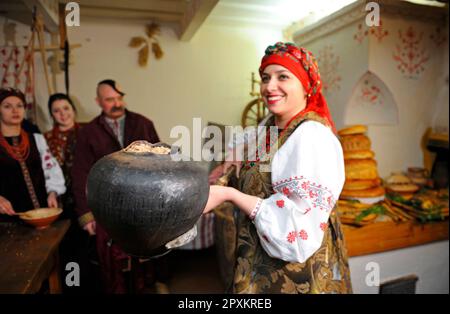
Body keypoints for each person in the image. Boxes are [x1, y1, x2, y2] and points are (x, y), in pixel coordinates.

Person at [203, 42, 352, 293]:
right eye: (265, 77)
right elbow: (247, 137)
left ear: (306, 86)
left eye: (283, 77)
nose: (269, 87)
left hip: (296, 274)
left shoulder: (312, 137)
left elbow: (296, 234)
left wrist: (229, 195)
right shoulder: (269, 126)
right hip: (258, 260)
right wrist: (233, 155)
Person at [71, 79, 167, 293]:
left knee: (146, 250)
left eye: (119, 98)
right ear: (98, 101)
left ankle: (151, 285)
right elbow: (80, 173)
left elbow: (161, 162)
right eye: (109, 99)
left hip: (143, 201)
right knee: (112, 258)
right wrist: (86, 214)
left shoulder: (143, 123)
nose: (116, 103)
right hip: (106, 206)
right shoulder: (88, 132)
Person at [0, 88, 65, 218]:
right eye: (7, 106)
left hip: (40, 214)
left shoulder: (37, 139)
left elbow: (51, 169)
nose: (15, 110)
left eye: (19, 106)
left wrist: (53, 192)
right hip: (8, 217)